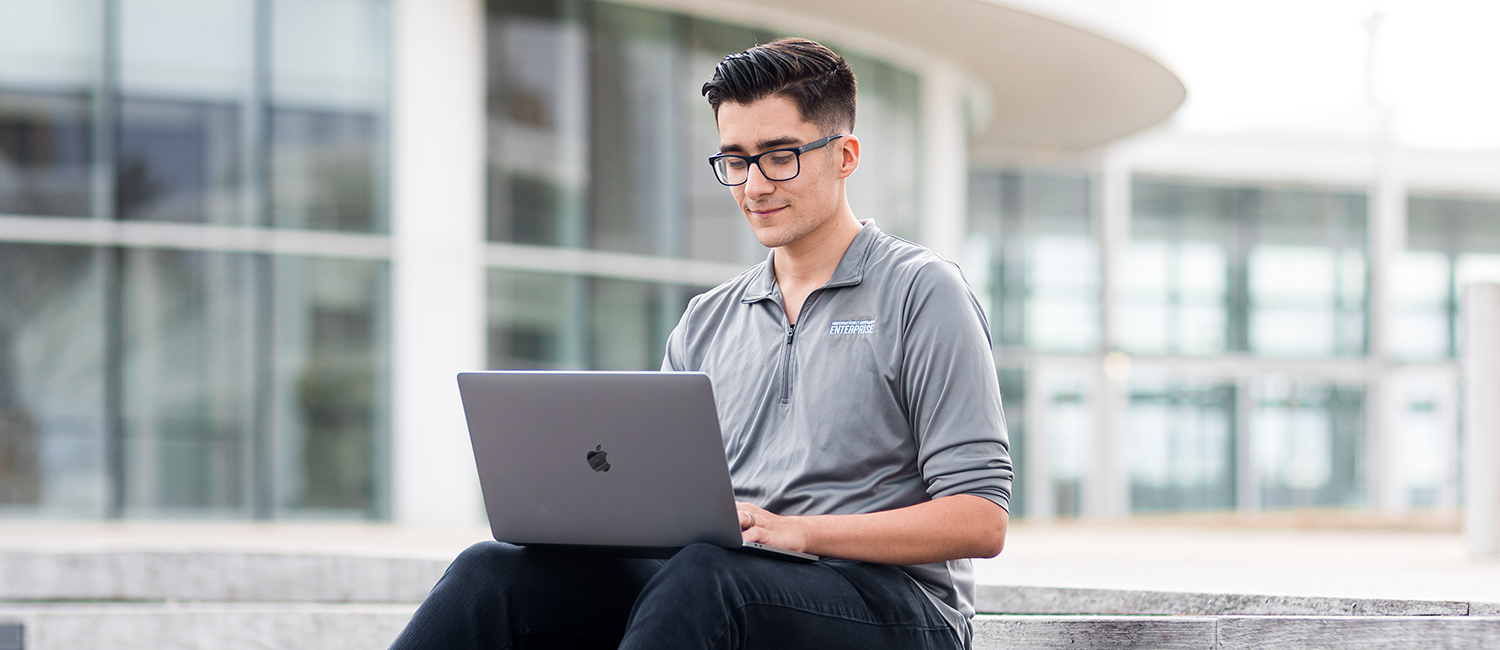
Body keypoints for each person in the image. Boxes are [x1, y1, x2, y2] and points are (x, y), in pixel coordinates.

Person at [388, 37, 1012, 650]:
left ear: (844, 155)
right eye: (736, 160)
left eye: (779, 155)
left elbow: (981, 520)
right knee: (493, 573)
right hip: (716, 592)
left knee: (706, 577)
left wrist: (799, 533)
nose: (755, 185)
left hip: (896, 610)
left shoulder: (921, 291)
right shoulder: (707, 320)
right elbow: (659, 502)